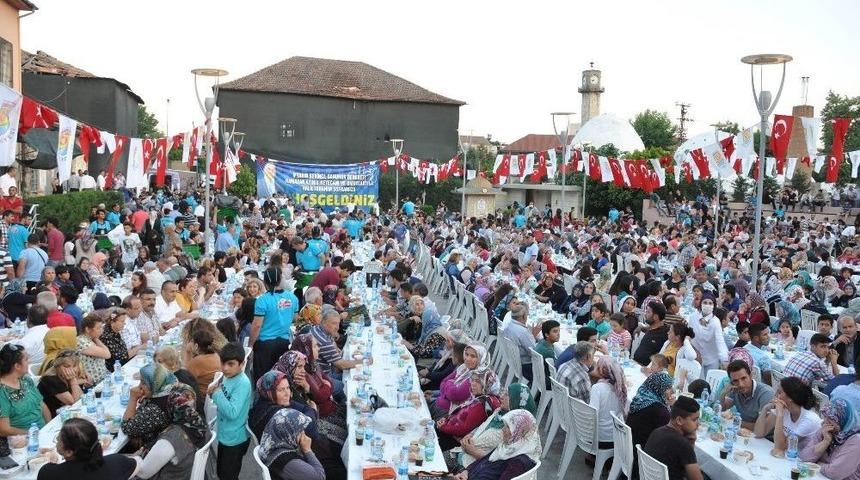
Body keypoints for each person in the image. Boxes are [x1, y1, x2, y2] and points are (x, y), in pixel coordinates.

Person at [134, 383, 210, 480]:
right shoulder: (200, 424)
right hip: (186, 473)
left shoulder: (171, 439)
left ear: (171, 405)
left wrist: (134, 458)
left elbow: (143, 473)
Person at [458, 383, 536, 467]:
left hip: (473, 467)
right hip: (461, 453)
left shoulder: (514, 431)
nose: (501, 396)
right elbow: (484, 426)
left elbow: (499, 462)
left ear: (516, 402)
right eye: (503, 392)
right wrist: (470, 435)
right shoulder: (499, 411)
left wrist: (473, 451)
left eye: (507, 395)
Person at [36, 418, 139, 480]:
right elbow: (139, 463)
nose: (57, 441)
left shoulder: (49, 474)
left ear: (69, 452)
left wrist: (52, 462)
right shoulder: (118, 461)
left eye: (58, 440)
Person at [208, 342, 252, 480]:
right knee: (222, 473)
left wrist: (216, 394)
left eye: (231, 364)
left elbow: (232, 412)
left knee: (228, 475)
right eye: (223, 363)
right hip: (227, 435)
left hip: (235, 439)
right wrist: (215, 392)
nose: (225, 368)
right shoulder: (229, 377)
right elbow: (225, 397)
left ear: (242, 364)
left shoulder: (242, 383)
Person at [455, 409, 541, 480]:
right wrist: (465, 472)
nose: (502, 429)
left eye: (508, 427)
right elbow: (484, 459)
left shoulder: (519, 463)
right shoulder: (509, 446)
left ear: (519, 432)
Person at [754, 376, 820, 455]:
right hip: (788, 456)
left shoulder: (809, 420)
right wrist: (765, 409)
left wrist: (780, 415)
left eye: (779, 392)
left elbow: (780, 447)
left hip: (803, 459)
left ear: (790, 397)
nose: (776, 396)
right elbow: (759, 433)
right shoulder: (785, 408)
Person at [435, 371, 501, 451]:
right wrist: (446, 419)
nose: (473, 384)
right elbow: (459, 413)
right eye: (473, 380)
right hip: (450, 431)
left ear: (488, 385)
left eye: (478, 381)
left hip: (456, 441)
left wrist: (443, 427)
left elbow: (464, 430)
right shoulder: (479, 398)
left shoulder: (483, 404)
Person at [251, 267, 298, 379]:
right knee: (280, 377)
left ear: (265, 281)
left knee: (263, 378)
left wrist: (250, 345)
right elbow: (295, 319)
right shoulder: (292, 297)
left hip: (265, 345)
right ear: (280, 279)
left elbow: (257, 326)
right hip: (284, 343)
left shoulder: (262, 300)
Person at [643, 395, 704, 480]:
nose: (698, 424)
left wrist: (692, 442)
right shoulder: (682, 444)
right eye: (694, 420)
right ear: (679, 420)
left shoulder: (656, 431)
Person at [799, 398, 860, 479]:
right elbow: (804, 457)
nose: (825, 422)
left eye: (831, 418)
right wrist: (825, 441)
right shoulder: (826, 430)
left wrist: (817, 465)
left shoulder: (856, 440)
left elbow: (835, 473)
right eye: (825, 416)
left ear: (843, 420)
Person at [258, 409, 325, 480]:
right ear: (289, 432)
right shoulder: (288, 461)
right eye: (300, 430)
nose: (304, 434)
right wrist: (307, 450)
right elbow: (320, 477)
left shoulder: (272, 443)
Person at [434, 344, 499, 416]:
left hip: (450, 413)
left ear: (481, 358)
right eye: (466, 354)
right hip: (440, 403)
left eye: (473, 356)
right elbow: (442, 382)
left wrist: (449, 382)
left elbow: (454, 395)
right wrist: (450, 386)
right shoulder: (464, 368)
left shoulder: (479, 376)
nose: (467, 358)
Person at [0, 343, 49, 436]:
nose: (29, 362)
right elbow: (4, 429)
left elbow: (42, 405)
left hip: (42, 432)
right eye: (26, 359)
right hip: (21, 439)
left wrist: (48, 427)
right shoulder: (2, 392)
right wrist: (33, 435)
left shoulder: (26, 380)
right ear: (17, 366)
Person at [121, 362, 174, 448]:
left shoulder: (155, 409)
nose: (139, 386)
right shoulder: (166, 389)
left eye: (143, 382)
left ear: (154, 383)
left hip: (151, 447)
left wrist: (133, 398)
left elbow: (127, 428)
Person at [719, 359, 775, 430]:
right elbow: (723, 409)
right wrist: (723, 393)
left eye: (743, 378)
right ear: (731, 381)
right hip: (744, 431)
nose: (741, 384)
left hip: (763, 436)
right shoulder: (735, 389)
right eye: (735, 381)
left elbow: (764, 428)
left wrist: (736, 421)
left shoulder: (765, 393)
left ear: (751, 375)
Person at [626, 372, 675, 449]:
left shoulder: (640, 399)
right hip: (642, 451)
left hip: (629, 444)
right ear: (659, 388)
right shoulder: (659, 410)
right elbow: (668, 434)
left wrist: (667, 404)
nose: (673, 391)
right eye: (668, 388)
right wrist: (670, 407)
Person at [590, 356, 628, 448]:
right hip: (616, 435)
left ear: (601, 371)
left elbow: (592, 414)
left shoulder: (597, 388)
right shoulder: (621, 387)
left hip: (600, 437)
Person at [37, 349, 86, 416]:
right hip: (52, 416)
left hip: (66, 411)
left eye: (74, 366)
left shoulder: (67, 376)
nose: (72, 370)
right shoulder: (50, 379)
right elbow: (73, 403)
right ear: (58, 366)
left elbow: (81, 397)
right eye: (67, 366)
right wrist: (73, 380)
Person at [690, 293, 728, 374]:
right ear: (701, 304)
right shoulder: (693, 317)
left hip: (711, 359)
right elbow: (689, 335)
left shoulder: (715, 321)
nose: (707, 305)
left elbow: (720, 341)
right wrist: (693, 350)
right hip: (696, 356)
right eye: (705, 302)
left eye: (710, 303)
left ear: (714, 306)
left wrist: (724, 359)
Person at [184, 329, 222, 400]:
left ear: (196, 346)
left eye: (192, 341)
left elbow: (185, 378)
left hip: (202, 397)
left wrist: (187, 352)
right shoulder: (215, 355)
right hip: (213, 394)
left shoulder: (197, 361)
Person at [76, 315, 111, 384]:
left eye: (102, 327)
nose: (102, 330)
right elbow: (107, 354)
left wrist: (95, 338)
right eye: (98, 328)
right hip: (94, 383)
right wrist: (96, 339)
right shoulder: (81, 341)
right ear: (87, 329)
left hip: (104, 378)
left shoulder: (90, 339)